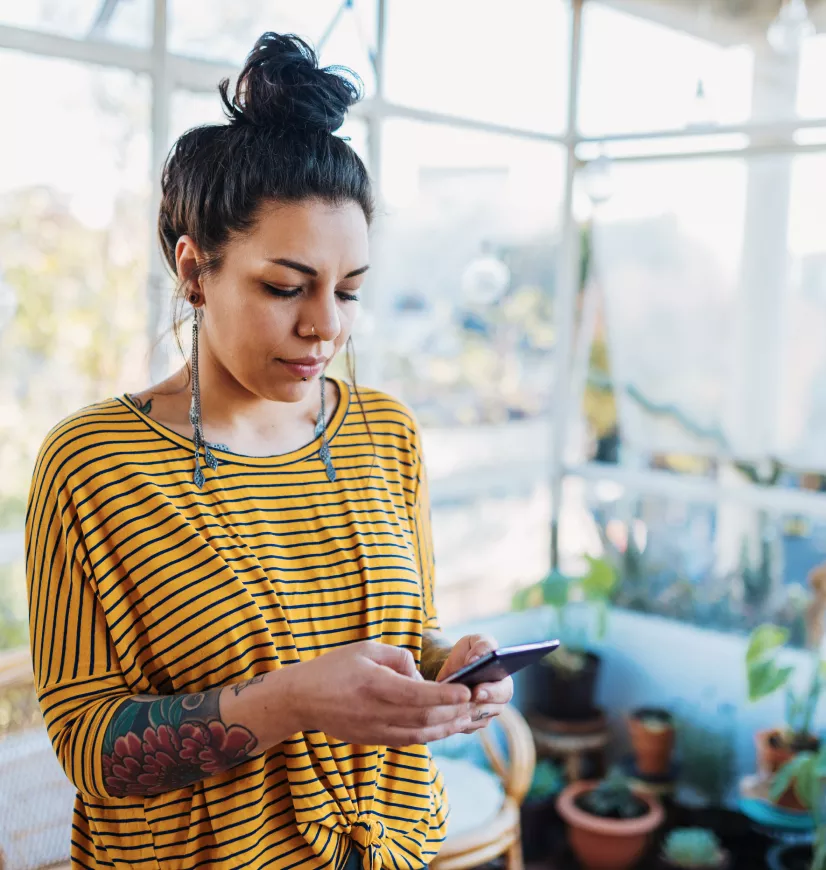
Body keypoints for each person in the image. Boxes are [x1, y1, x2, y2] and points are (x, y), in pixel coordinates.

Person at [24, 32, 513, 870]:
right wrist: (290, 702)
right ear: (194, 270)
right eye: (286, 287)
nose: (325, 325)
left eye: (349, 291)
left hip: (393, 848)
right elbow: (88, 748)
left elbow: (410, 631)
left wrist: (453, 666)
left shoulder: (385, 432)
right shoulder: (95, 464)